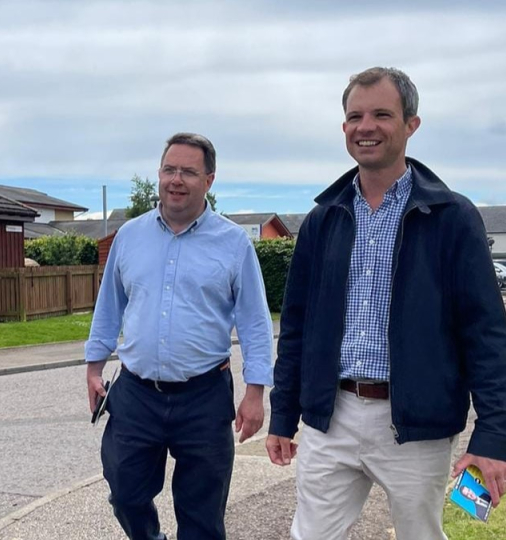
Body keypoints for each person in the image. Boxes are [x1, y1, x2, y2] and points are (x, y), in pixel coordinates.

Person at [266, 66, 506, 540]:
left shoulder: (452, 218)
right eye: (355, 116)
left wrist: (495, 434)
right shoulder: (322, 220)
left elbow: (486, 333)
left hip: (417, 424)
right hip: (330, 416)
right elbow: (296, 326)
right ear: (344, 129)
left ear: (411, 125)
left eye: (381, 114)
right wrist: (283, 414)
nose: (366, 126)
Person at [86, 132, 274, 540]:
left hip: (203, 397)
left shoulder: (234, 243)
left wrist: (256, 392)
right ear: (158, 174)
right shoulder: (129, 237)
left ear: (209, 180)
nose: (176, 179)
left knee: (203, 515)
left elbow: (255, 322)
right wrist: (93, 366)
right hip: (136, 393)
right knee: (125, 492)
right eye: (169, 169)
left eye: (188, 171)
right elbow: (109, 306)